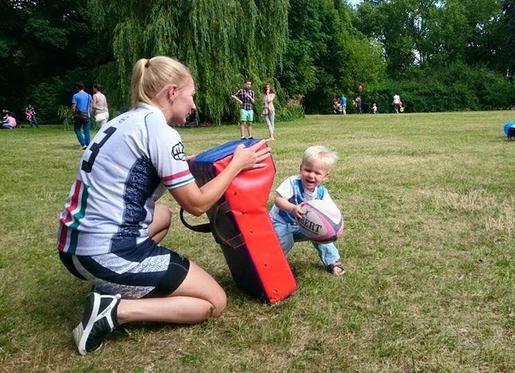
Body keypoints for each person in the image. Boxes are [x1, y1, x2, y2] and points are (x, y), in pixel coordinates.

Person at [56, 56, 271, 355]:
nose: (194, 105)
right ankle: (113, 311)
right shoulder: (159, 130)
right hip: (104, 252)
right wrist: (237, 164)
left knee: (163, 215)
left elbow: (159, 165)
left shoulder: (125, 120)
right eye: (191, 95)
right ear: (172, 92)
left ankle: (113, 283)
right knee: (214, 302)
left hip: (73, 246)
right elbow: (196, 204)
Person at [269, 145, 345, 276]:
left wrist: (338, 228)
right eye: (307, 170)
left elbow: (331, 211)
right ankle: (272, 263)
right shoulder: (292, 183)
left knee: (323, 233)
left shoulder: (322, 192)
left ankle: (332, 261)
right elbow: (278, 200)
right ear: (300, 169)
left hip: (302, 225)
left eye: (317, 173)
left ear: (325, 177)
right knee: (285, 241)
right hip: (282, 222)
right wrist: (292, 208)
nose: (311, 175)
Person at [71, 82, 93, 149]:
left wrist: (73, 114)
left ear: (77, 87)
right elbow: (90, 107)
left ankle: (83, 144)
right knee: (86, 130)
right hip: (86, 115)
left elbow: (74, 107)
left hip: (78, 115)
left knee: (77, 129)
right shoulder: (89, 96)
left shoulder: (75, 96)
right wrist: (89, 114)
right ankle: (88, 144)